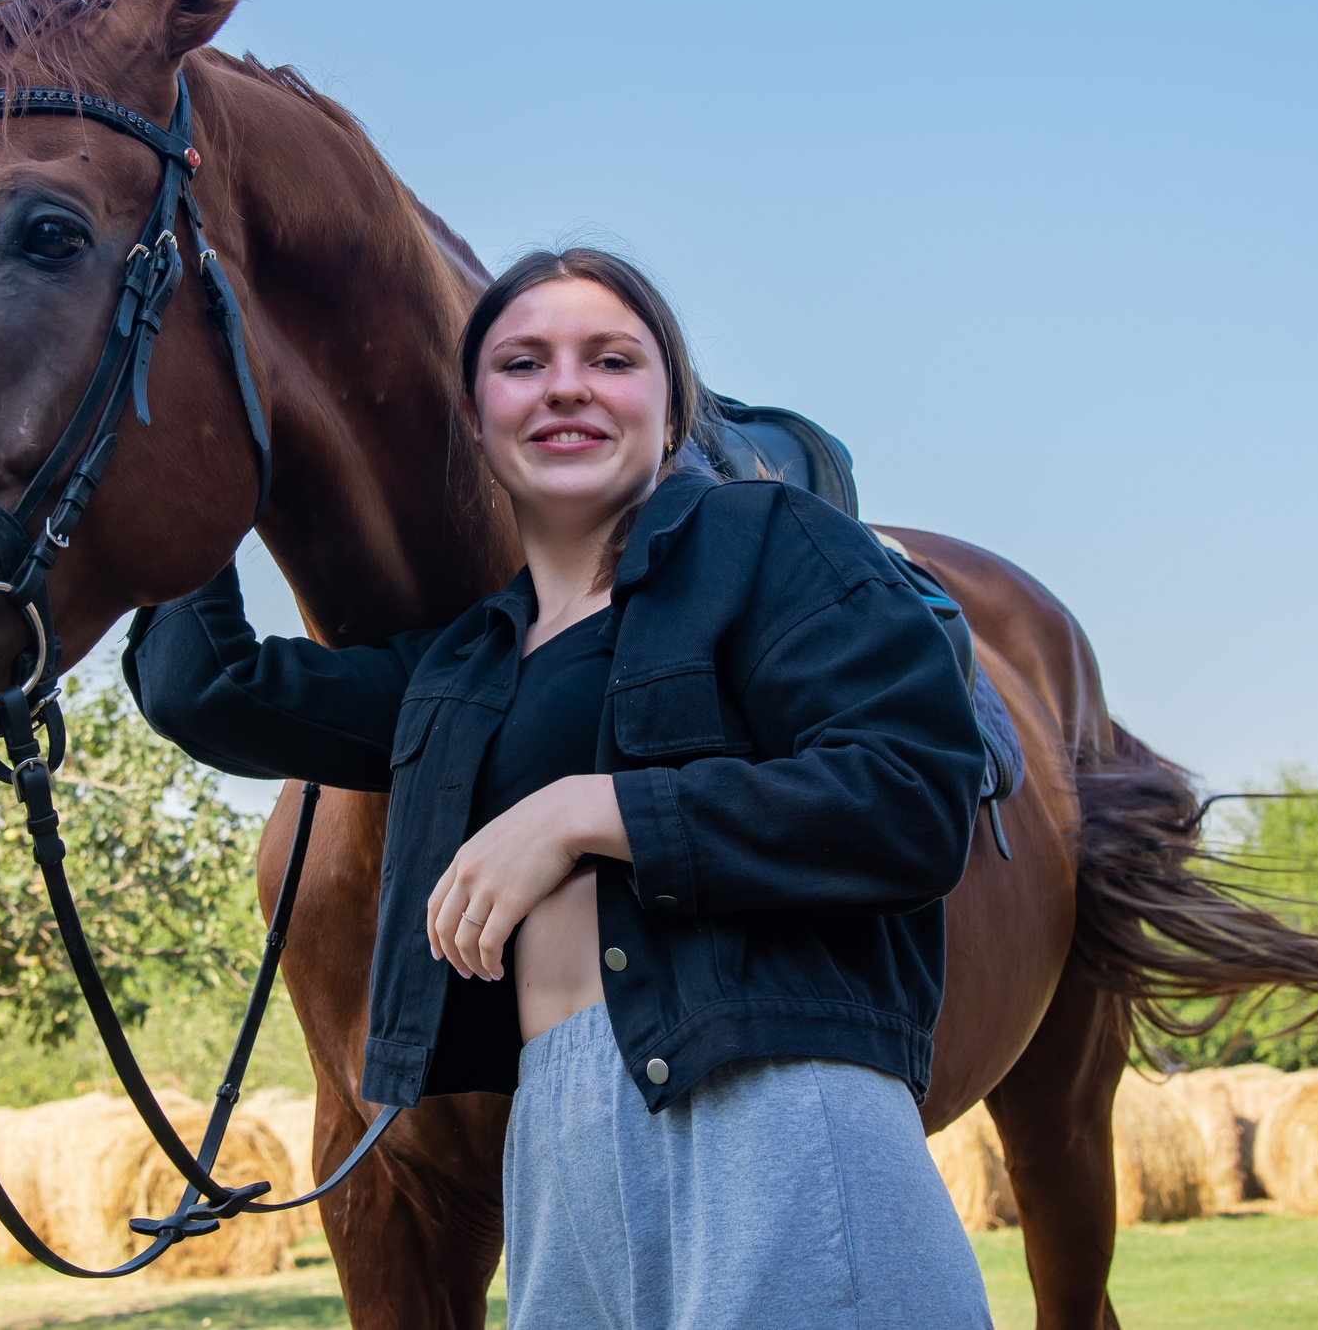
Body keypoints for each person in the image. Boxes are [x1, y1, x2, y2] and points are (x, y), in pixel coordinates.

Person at [124, 248, 993, 1328]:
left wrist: (588, 810)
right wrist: (185, 423)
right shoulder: (462, 663)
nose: (567, 385)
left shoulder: (770, 540)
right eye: (522, 363)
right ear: (477, 420)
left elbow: (908, 795)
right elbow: (207, 686)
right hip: (555, 1138)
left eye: (612, 359)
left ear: (670, 416)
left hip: (770, 1102)